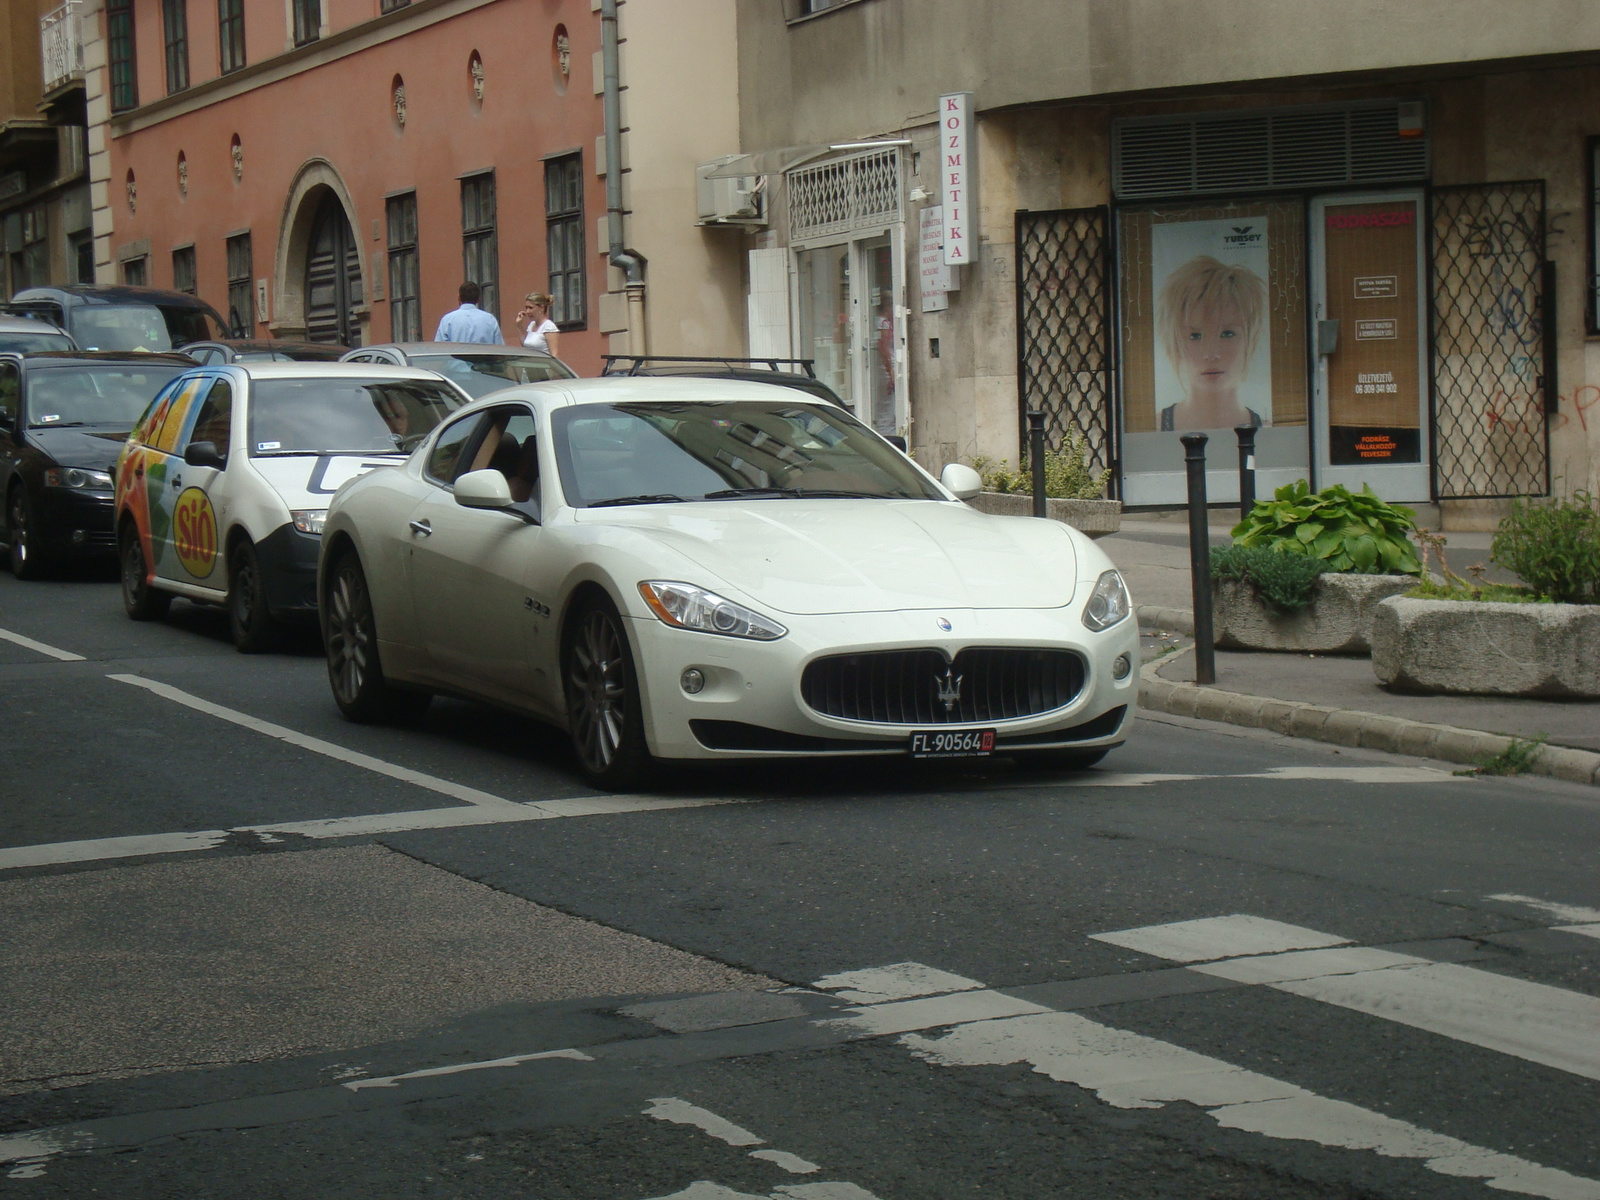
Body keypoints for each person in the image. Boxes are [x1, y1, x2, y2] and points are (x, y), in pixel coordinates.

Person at [1155, 255, 1268, 431]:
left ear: (1250, 340)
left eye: (1227, 333)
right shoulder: (1151, 430)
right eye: (1195, 336)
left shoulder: (1269, 433)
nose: (1211, 354)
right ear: (1174, 342)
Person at [434, 281, 504, 345]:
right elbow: (499, 349)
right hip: (483, 358)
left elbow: (439, 348)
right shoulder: (490, 320)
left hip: (455, 359)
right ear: (478, 299)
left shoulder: (447, 320)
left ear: (459, 298)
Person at [515, 292, 560, 358]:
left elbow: (555, 354)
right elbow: (525, 345)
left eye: (531, 308)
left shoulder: (549, 327)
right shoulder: (531, 325)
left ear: (542, 308)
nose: (527, 311)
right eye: (526, 308)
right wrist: (519, 325)